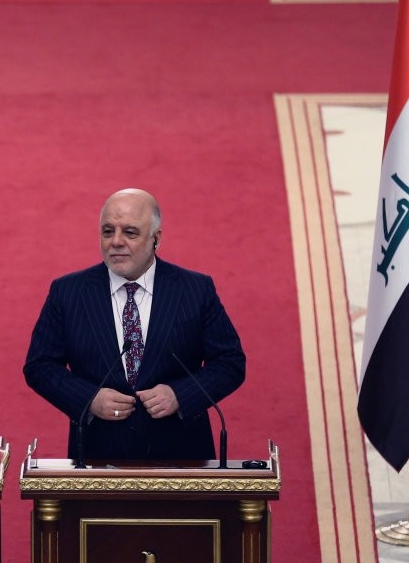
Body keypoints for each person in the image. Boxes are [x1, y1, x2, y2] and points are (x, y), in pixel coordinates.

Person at [23, 188, 245, 462]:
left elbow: (230, 362)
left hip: (182, 459)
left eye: (130, 232)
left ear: (156, 238)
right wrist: (89, 399)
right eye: (107, 232)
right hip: (97, 458)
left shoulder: (194, 290)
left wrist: (180, 395)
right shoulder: (68, 292)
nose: (116, 242)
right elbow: (40, 365)